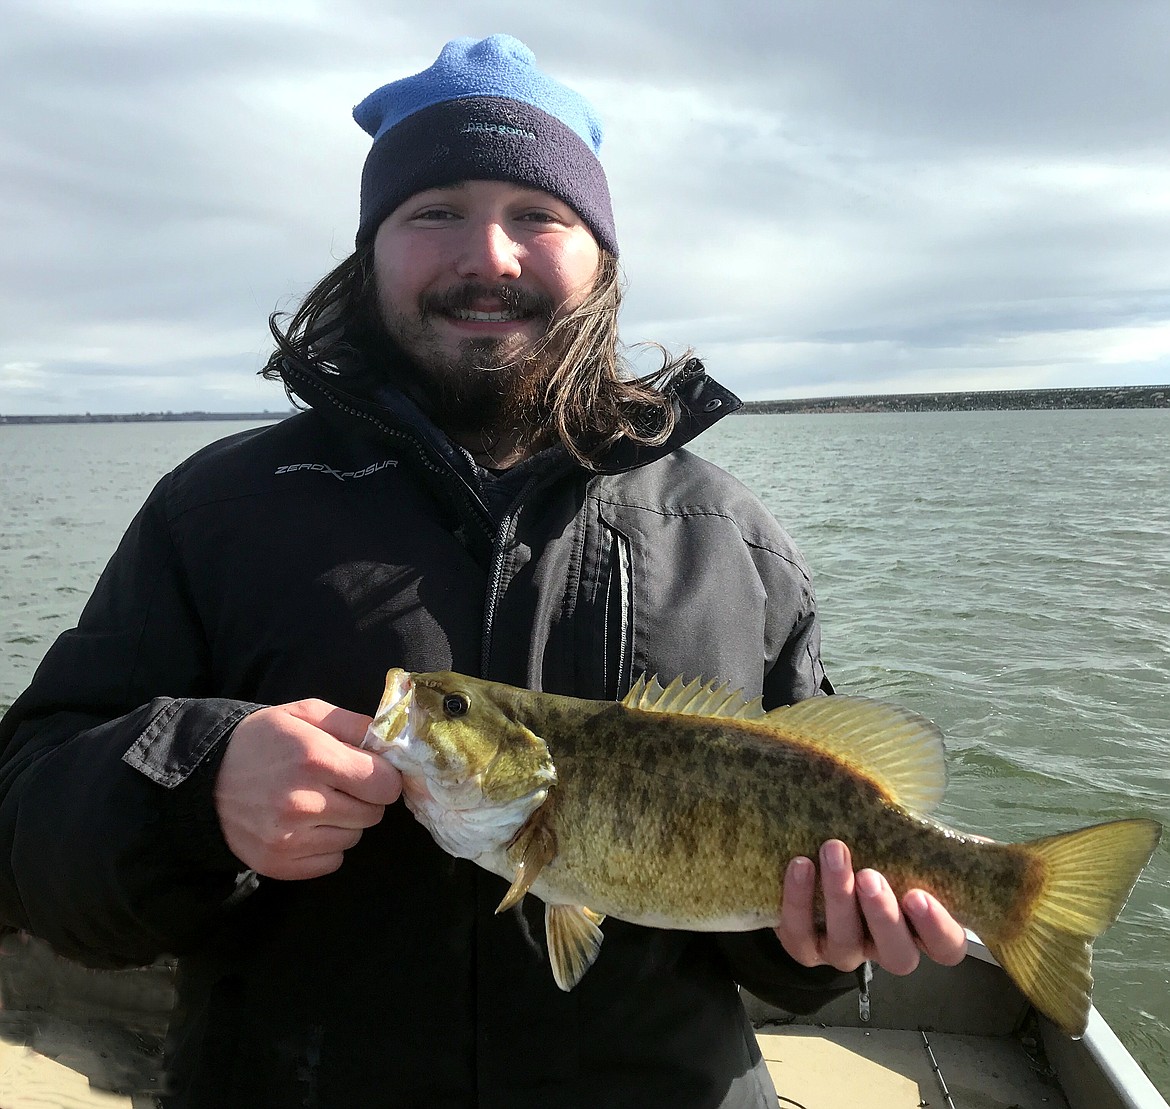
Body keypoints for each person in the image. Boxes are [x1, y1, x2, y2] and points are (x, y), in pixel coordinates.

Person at [0, 35, 966, 1108]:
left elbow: (790, 926)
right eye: (435, 211)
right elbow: (20, 823)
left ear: (601, 257)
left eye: (537, 215)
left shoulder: (733, 538)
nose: (490, 256)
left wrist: (825, 944)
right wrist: (194, 791)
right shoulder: (214, 512)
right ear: (370, 253)